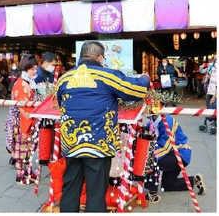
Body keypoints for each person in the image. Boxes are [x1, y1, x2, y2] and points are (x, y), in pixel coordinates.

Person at [55, 40, 150, 212]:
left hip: (71, 142)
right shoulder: (107, 75)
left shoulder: (65, 78)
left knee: (70, 187)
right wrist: (145, 79)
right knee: (96, 191)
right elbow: (135, 91)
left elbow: (60, 103)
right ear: (100, 58)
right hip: (98, 143)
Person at [144, 114, 206, 203]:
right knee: (167, 186)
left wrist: (148, 155)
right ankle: (195, 180)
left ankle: (152, 194)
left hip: (179, 154)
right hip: (170, 153)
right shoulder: (152, 121)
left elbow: (165, 147)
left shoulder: (167, 121)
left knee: (152, 161)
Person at [10, 55, 40, 185]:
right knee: (22, 149)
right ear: (26, 68)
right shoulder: (21, 83)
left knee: (29, 149)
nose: (35, 71)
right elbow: (23, 107)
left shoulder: (28, 82)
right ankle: (20, 176)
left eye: (35, 68)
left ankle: (28, 171)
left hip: (29, 118)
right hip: (23, 121)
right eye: (33, 68)